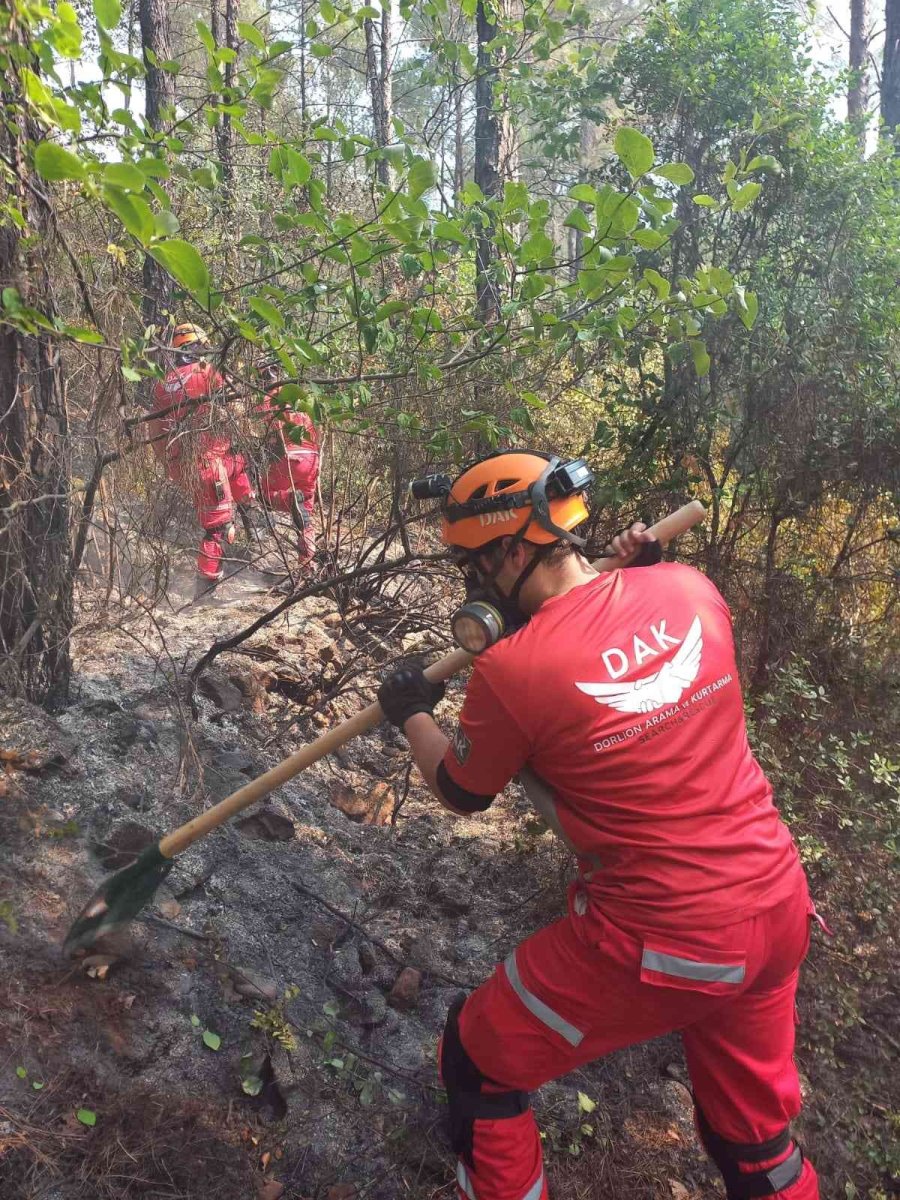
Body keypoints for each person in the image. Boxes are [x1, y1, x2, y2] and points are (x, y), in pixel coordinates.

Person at [377, 449, 819, 1200]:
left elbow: (461, 790)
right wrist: (639, 578)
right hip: (779, 905)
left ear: (511, 550)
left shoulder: (513, 671)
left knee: (479, 1060)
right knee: (753, 1139)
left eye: (474, 567)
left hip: (667, 933)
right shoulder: (689, 587)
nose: (473, 585)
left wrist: (411, 711)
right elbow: (631, 659)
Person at [149, 323, 254, 581]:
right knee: (219, 528)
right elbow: (236, 410)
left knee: (238, 463)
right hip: (207, 464)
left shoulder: (161, 384)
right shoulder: (207, 372)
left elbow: (154, 433)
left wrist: (170, 465)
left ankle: (248, 518)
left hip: (182, 465)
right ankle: (205, 585)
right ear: (197, 347)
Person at [256, 373, 320, 568]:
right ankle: (307, 564)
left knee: (263, 495)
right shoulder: (303, 397)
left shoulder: (268, 398)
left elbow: (260, 429)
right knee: (305, 513)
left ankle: (290, 499)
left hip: (289, 457)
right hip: (312, 459)